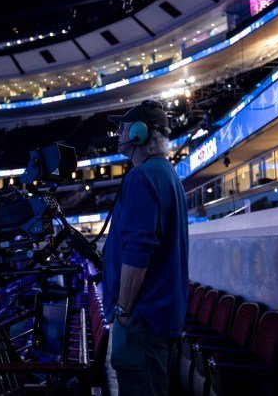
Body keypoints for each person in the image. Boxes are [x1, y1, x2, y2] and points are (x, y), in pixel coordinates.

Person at [102, 100, 189, 395]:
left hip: (142, 321)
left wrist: (124, 309)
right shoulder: (168, 174)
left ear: (139, 133)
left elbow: (138, 252)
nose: (118, 134)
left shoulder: (141, 177)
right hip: (162, 319)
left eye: (123, 128)